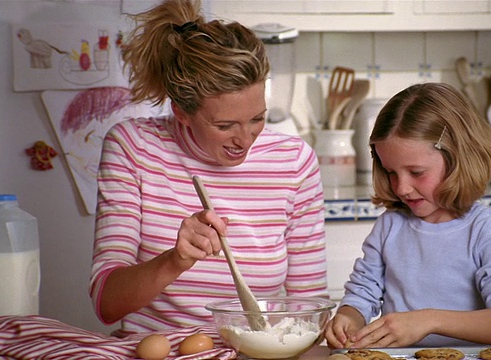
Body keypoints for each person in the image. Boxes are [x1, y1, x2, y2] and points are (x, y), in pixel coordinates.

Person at [89, 0, 327, 340]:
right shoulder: (134, 147)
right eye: (225, 124)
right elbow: (106, 305)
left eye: (257, 118)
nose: (245, 140)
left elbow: (307, 311)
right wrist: (176, 259)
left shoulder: (294, 162)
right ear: (182, 113)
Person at [324, 82, 491, 348]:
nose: (402, 188)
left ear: (458, 157)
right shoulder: (390, 226)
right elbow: (362, 294)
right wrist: (347, 318)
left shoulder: (486, 230)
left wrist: (428, 320)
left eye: (417, 172)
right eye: (391, 172)